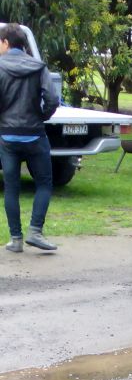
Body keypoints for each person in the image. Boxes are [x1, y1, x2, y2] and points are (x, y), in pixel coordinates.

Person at [0, 23, 59, 253]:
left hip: (7, 136)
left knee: (12, 187)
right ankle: (35, 231)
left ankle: (16, 239)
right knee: (44, 183)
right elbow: (52, 100)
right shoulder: (38, 66)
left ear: (6, 42)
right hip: (35, 134)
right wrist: (40, 116)